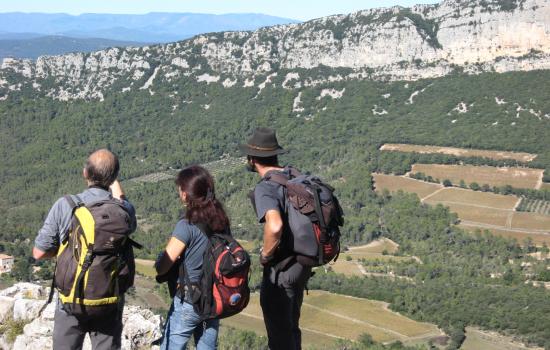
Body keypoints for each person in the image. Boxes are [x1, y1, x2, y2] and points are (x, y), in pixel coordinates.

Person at [33, 149, 137, 350]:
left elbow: (39, 252)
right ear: (114, 178)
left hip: (72, 300)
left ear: (85, 173)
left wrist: (66, 250)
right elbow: (122, 203)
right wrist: (112, 180)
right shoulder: (125, 210)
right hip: (109, 298)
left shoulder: (66, 205)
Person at [240, 127, 312, 350]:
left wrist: (265, 255)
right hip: (302, 264)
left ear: (252, 159)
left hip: (282, 269)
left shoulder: (266, 187)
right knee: (291, 326)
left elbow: (275, 225)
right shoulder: (294, 175)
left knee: (279, 334)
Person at [155, 165, 229, 350]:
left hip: (190, 300)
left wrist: (159, 262)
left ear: (186, 194)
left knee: (171, 346)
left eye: (180, 188)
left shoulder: (186, 225)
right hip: (213, 298)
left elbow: (164, 265)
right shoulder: (221, 220)